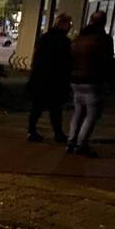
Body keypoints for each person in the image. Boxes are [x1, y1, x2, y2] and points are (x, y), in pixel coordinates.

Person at [67, 10, 115, 157]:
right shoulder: (104, 39)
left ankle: (71, 141)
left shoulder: (79, 38)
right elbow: (108, 61)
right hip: (93, 81)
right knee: (91, 115)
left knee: (78, 112)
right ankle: (81, 145)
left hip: (76, 80)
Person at [27, 13, 72, 142]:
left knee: (37, 107)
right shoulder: (64, 41)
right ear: (63, 24)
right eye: (69, 24)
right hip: (55, 80)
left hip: (40, 78)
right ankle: (58, 133)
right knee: (55, 109)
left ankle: (31, 131)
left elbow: (36, 58)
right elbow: (66, 63)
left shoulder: (44, 38)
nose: (70, 27)